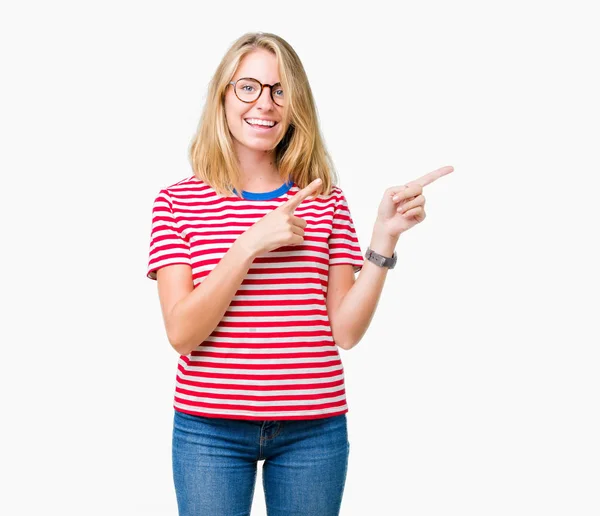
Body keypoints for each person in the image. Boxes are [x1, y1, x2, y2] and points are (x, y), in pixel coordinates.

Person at [146, 31, 453, 516]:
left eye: (279, 90)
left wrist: (383, 239)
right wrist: (249, 244)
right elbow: (183, 333)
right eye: (248, 87)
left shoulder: (325, 200)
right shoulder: (177, 202)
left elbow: (346, 332)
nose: (264, 103)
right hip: (209, 430)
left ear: (295, 105)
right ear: (223, 96)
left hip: (314, 430)